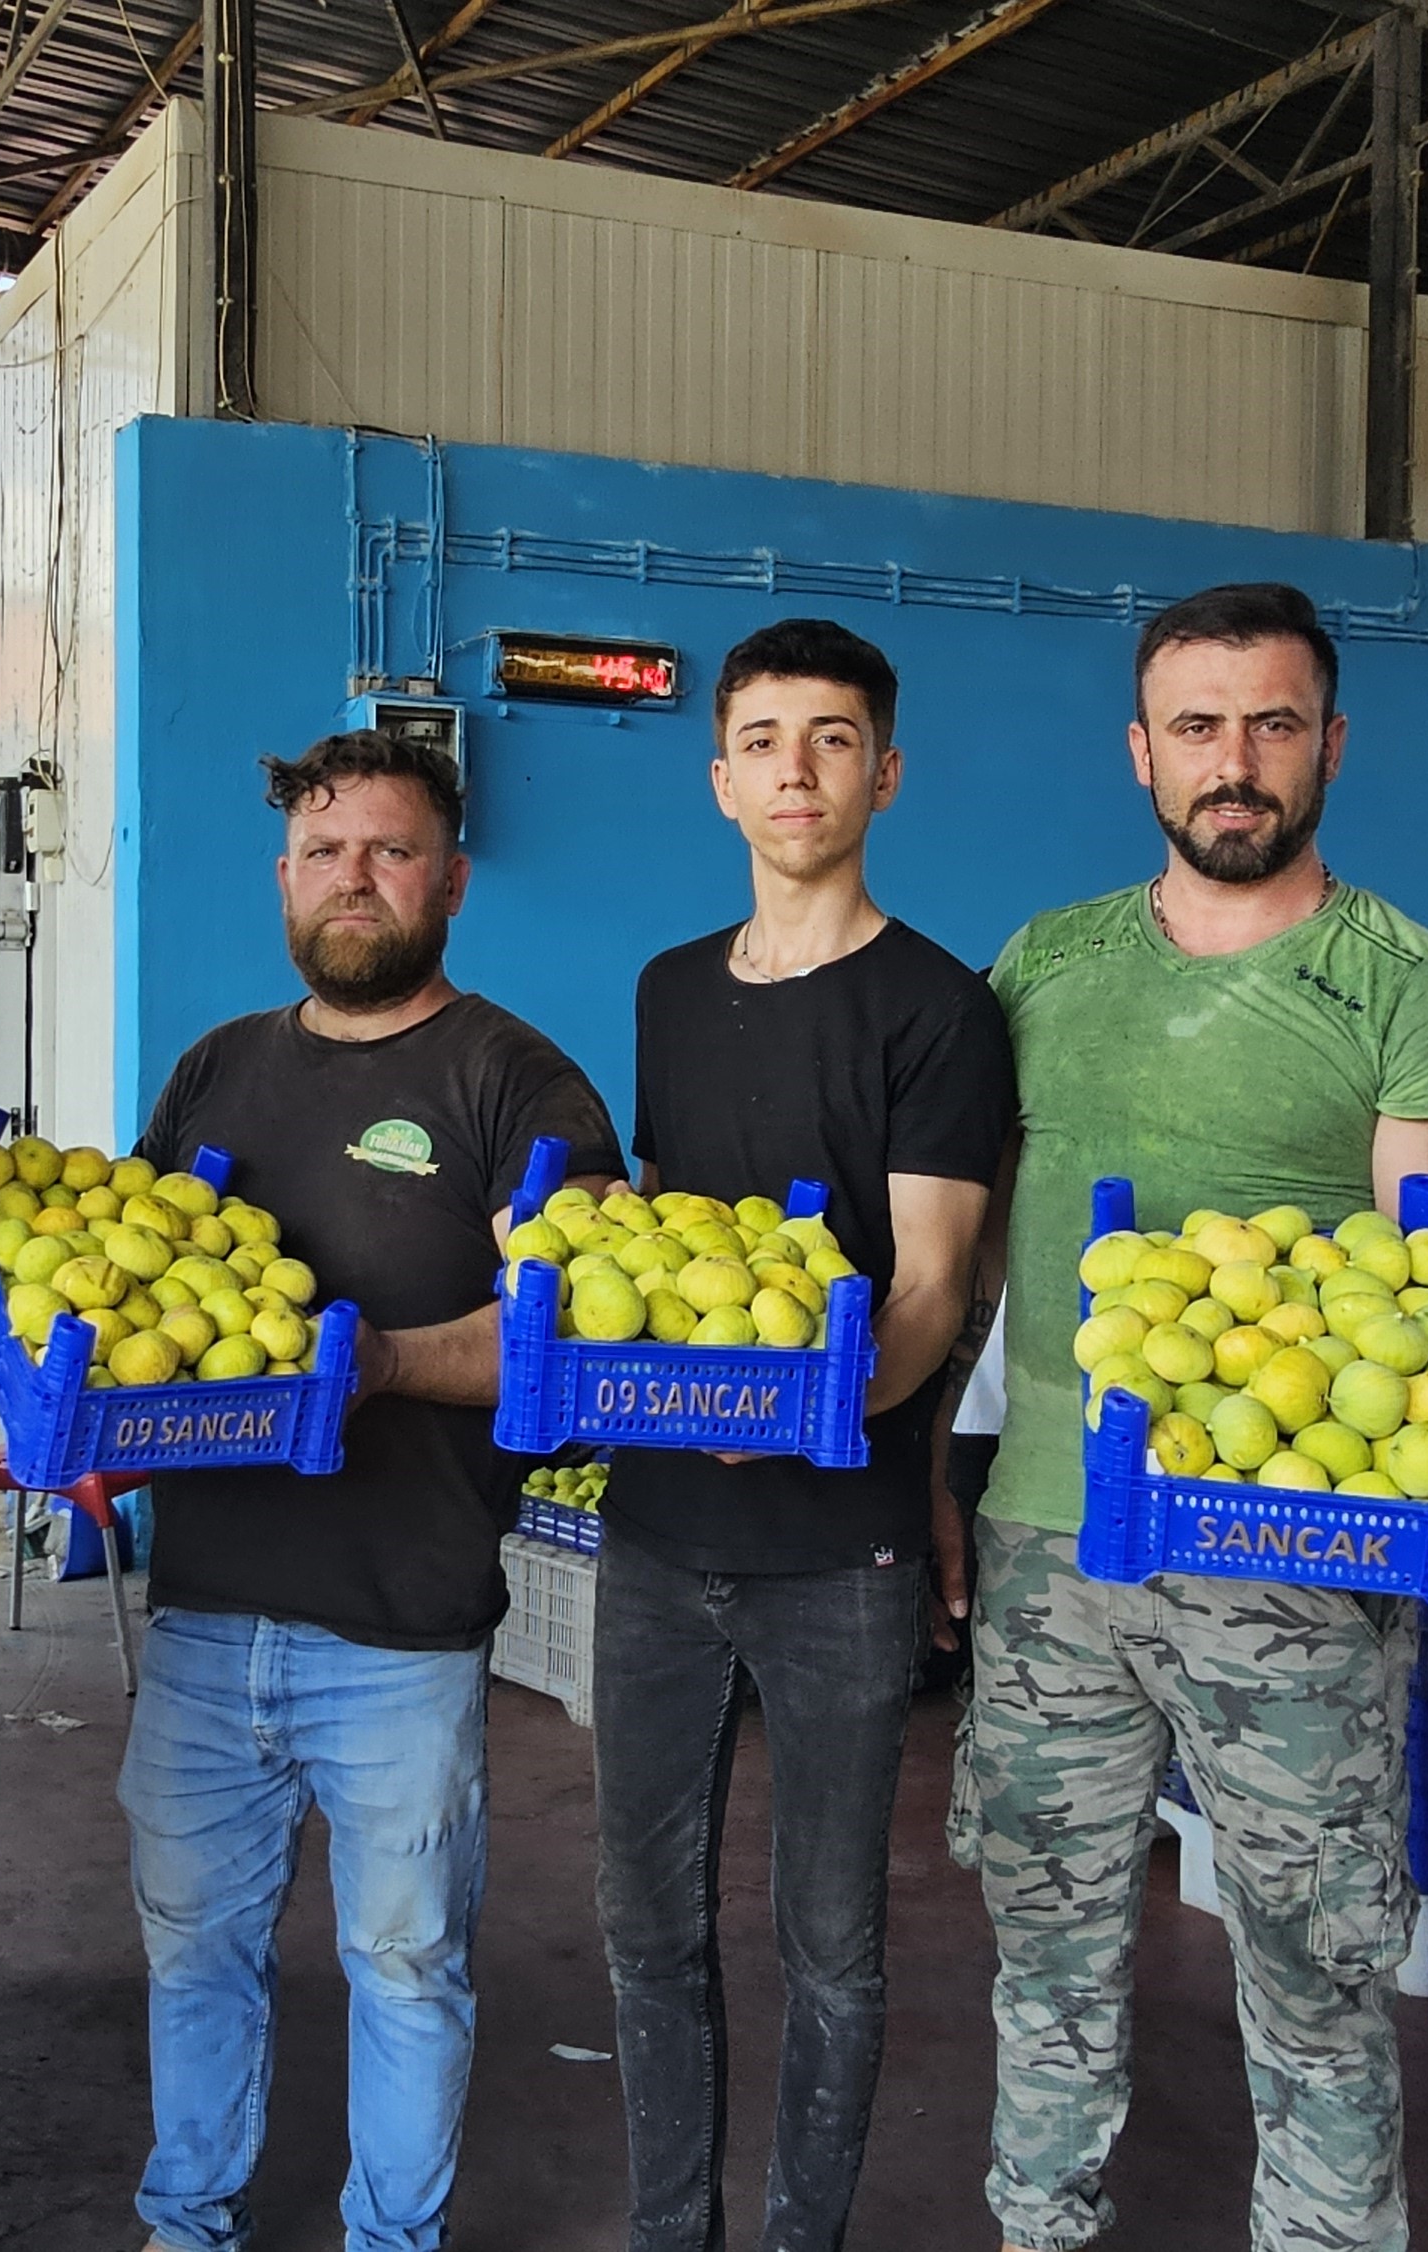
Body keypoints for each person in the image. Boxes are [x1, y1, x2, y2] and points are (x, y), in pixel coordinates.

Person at [941, 581, 1428, 2252]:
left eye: (1274, 723)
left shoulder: (1419, 988)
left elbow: (1422, 1316)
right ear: (1142, 753)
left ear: (1330, 745)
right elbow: (985, 1254)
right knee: (1046, 1947)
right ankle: (1039, 2228)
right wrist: (943, 1480)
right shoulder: (1042, 965)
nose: (1237, 760)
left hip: (1294, 1554)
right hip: (1052, 1536)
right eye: (1199, 725)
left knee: (1315, 1966)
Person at [119, 728, 620, 2252]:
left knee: (406, 1971)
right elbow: (143, 1291)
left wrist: (387, 1365)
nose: (357, 879)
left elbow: (574, 1320)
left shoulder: (514, 1076)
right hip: (205, 1611)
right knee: (193, 1955)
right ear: (284, 878)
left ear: (452, 880)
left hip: (399, 1629)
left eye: (392, 850)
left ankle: (392, 2241)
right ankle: (185, 2223)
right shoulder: (216, 1066)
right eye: (328, 852)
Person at [598, 618, 1012, 2252]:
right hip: (650, 1534)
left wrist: (783, 1415)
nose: (797, 769)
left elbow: (922, 1288)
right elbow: (663, 1255)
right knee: (647, 1927)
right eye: (764, 739)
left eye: (833, 738)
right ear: (719, 779)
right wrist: (665, 1395)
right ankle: (667, 2229)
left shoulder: (942, 1009)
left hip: (838, 1539)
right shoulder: (666, 991)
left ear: (885, 772)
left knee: (830, 1938)